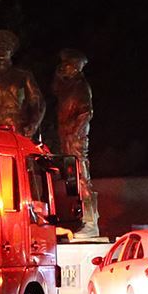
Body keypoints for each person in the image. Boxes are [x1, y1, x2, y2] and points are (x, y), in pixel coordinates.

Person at [53, 48, 99, 238]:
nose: (65, 68)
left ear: (77, 68)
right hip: (67, 136)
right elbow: (55, 88)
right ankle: (80, 220)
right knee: (72, 179)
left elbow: (86, 112)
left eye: (68, 65)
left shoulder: (81, 87)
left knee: (81, 178)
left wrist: (73, 130)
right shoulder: (67, 86)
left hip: (76, 138)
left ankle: (90, 222)